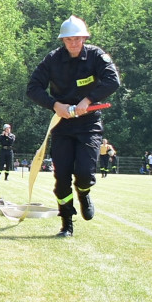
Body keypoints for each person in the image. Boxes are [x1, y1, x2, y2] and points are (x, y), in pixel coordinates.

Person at [25, 15, 121, 238]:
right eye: (69, 39)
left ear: (84, 38)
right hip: (62, 126)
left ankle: (84, 193)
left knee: (84, 173)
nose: (74, 43)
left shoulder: (96, 56)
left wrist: (88, 100)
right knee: (61, 179)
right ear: (63, 40)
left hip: (89, 124)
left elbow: (113, 81)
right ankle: (66, 224)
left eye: (78, 39)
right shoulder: (52, 60)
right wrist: (54, 105)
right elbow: (33, 88)